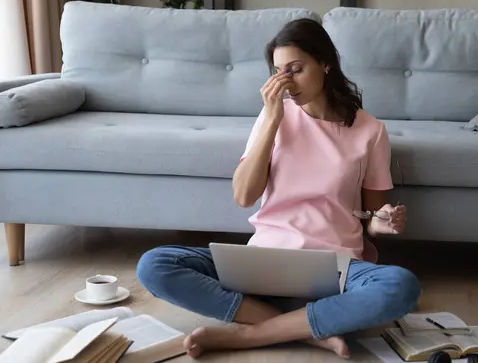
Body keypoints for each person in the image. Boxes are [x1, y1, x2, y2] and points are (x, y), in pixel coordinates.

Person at [136, 18, 421, 360]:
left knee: (401, 287)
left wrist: (384, 221)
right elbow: (243, 196)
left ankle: (247, 336)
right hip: (264, 261)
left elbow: (373, 219)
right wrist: (272, 120)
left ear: (325, 62)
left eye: (296, 69)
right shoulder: (273, 115)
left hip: (333, 266)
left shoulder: (371, 131)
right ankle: (310, 333)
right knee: (155, 264)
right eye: (278, 72)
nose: (286, 82)